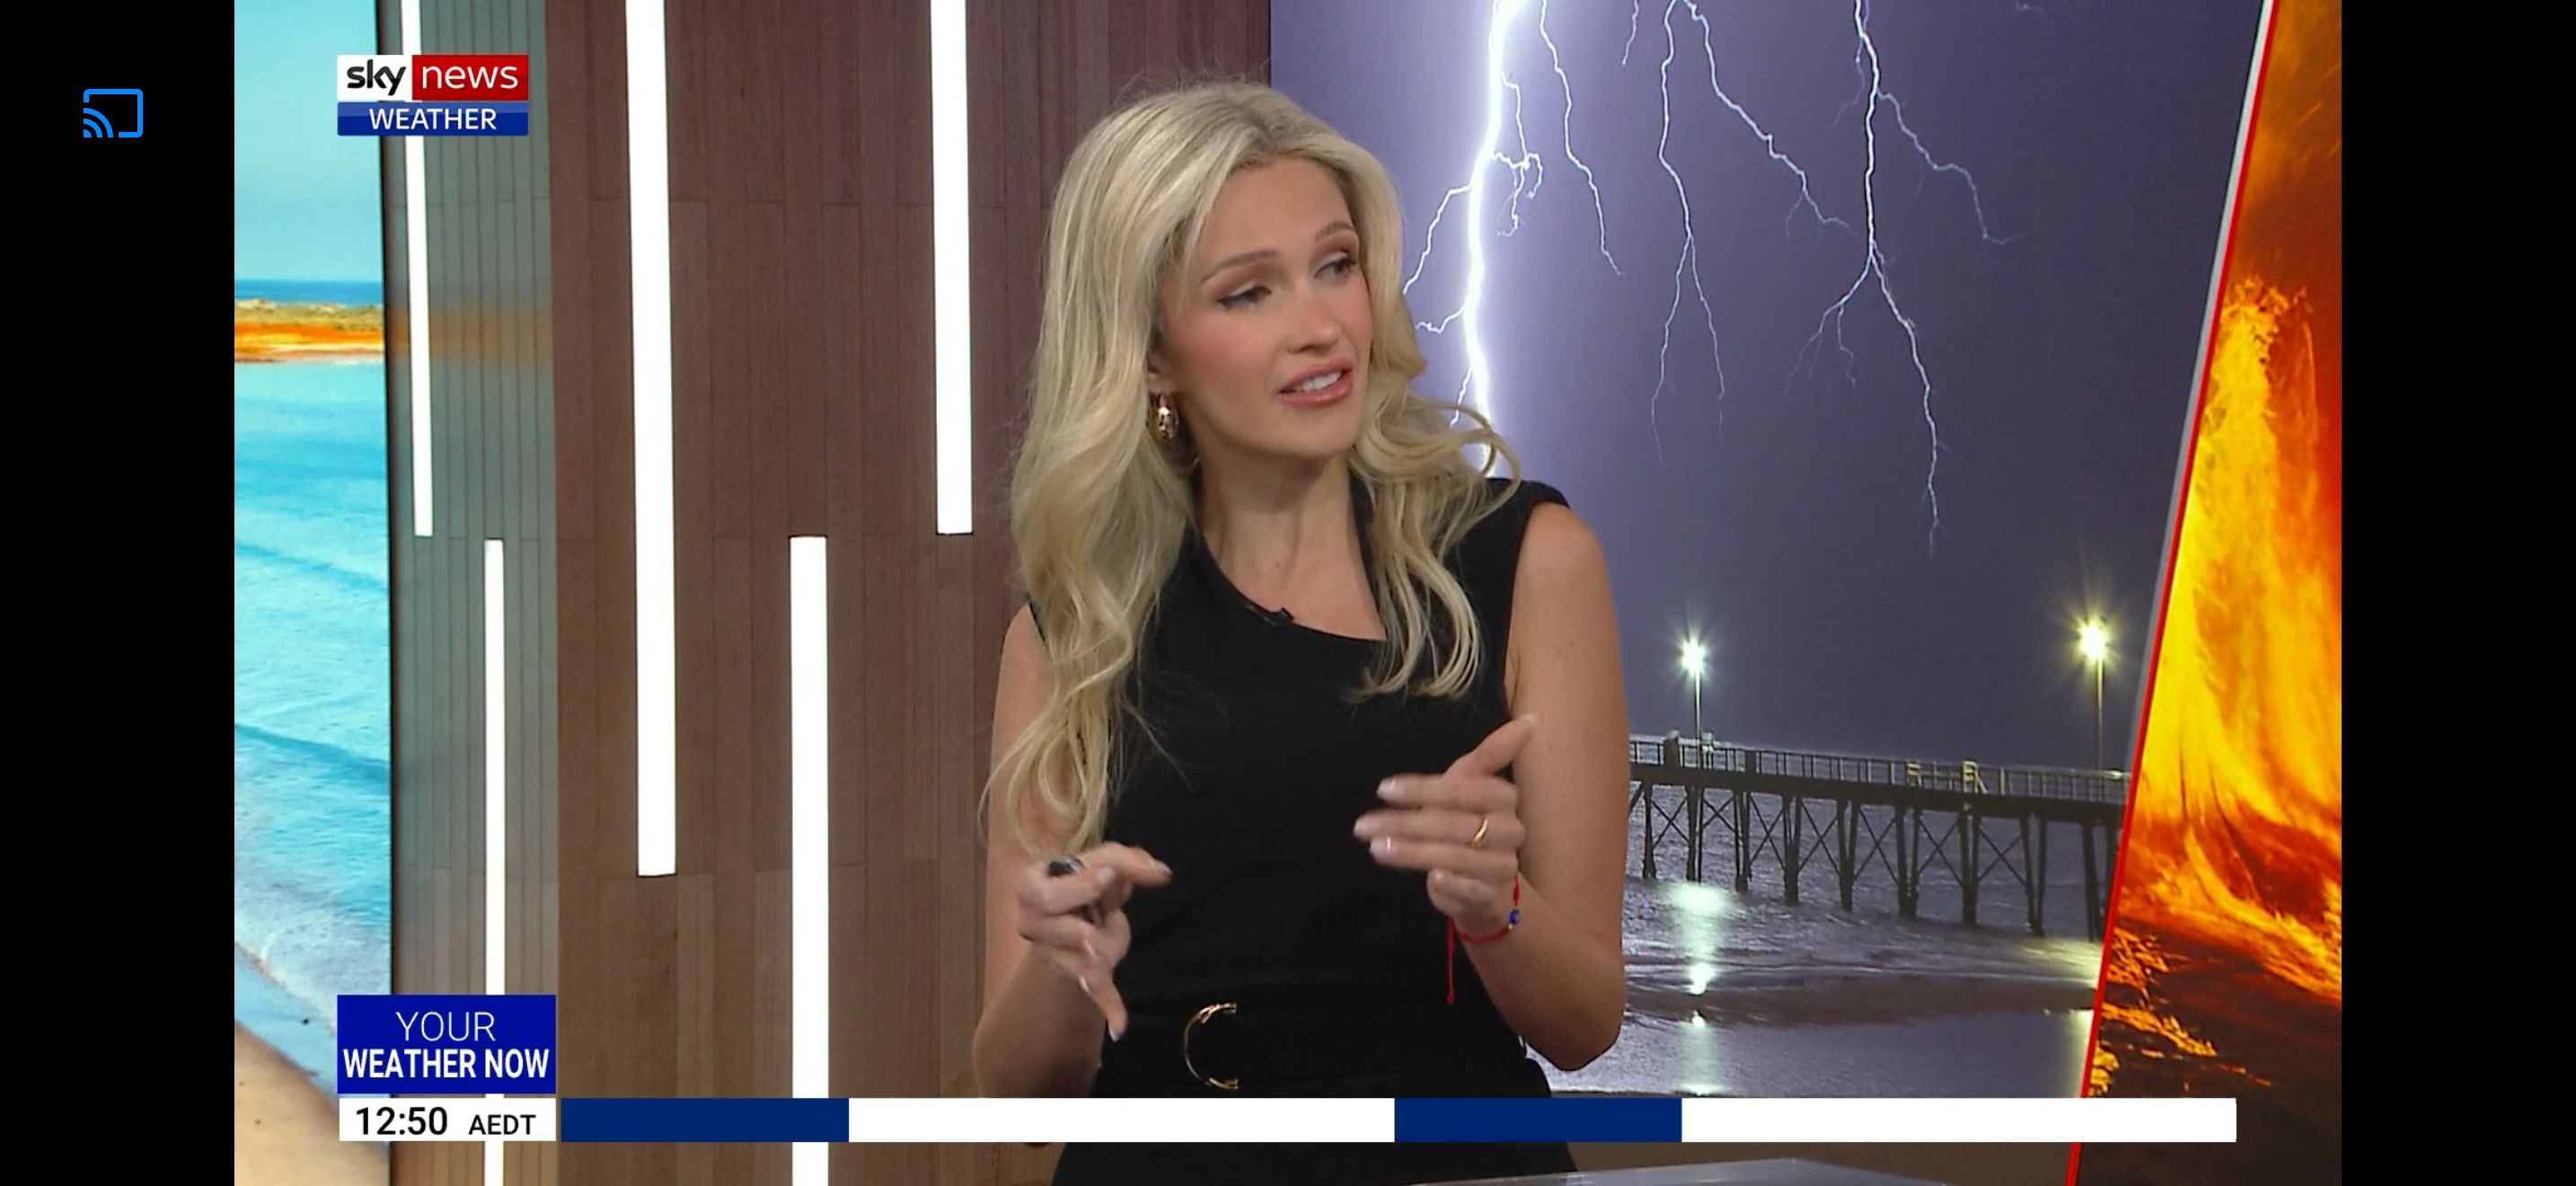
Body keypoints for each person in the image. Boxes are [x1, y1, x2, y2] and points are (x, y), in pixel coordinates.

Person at [971, 80, 1631, 1186]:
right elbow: (1019, 1097)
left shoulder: (1527, 563)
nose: (1320, 326)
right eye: (1249, 293)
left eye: (1336, 265)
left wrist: (1495, 908)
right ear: (1152, 355)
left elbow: (1585, 1024)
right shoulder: (1074, 639)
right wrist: (1061, 962)